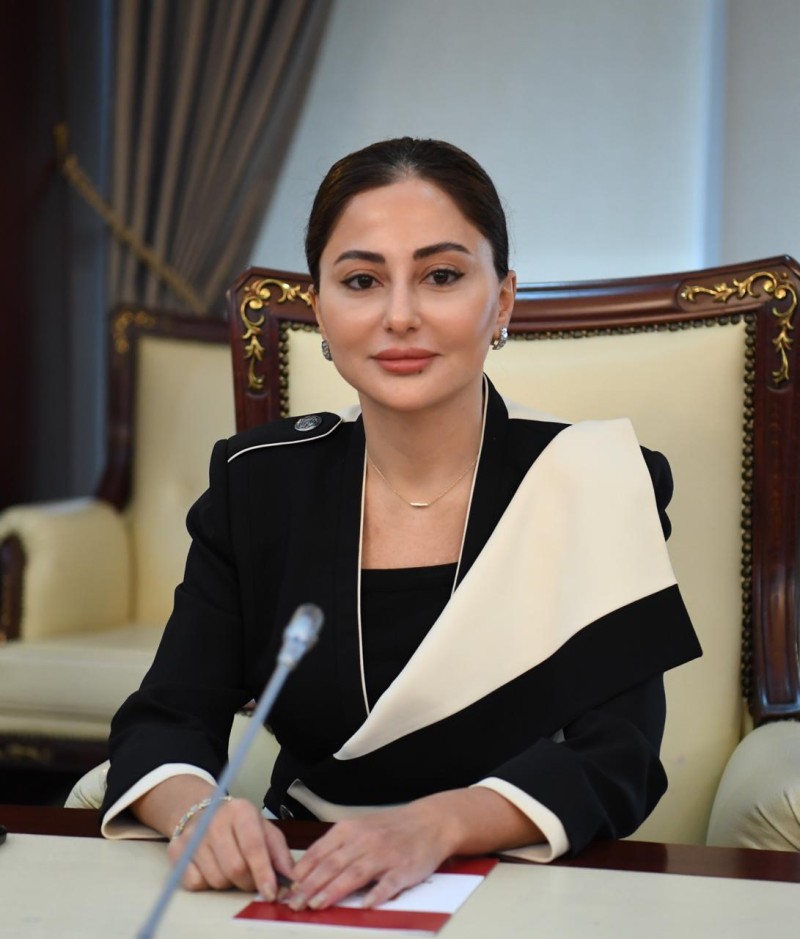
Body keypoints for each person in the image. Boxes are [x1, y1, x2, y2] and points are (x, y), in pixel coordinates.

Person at [101, 137, 701, 911]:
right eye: (361, 280)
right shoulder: (257, 482)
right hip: (305, 885)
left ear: (502, 302)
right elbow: (165, 720)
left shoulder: (596, 477)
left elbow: (618, 757)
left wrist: (435, 825)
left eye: (441, 276)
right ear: (320, 308)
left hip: (529, 887)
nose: (400, 315)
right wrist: (196, 812)